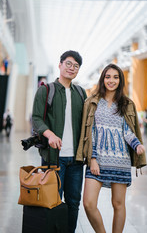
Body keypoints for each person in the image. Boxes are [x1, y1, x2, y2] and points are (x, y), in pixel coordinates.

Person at [76, 63, 147, 233]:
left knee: (118, 203)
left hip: (120, 161)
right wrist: (92, 158)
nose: (111, 80)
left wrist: (137, 145)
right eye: (108, 77)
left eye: (115, 77)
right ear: (103, 79)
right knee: (88, 203)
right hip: (97, 160)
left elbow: (127, 130)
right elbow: (90, 132)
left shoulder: (127, 103)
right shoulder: (92, 102)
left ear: (120, 80)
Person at [32, 50, 87, 233]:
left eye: (76, 66)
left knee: (73, 203)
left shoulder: (81, 93)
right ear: (60, 65)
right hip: (53, 159)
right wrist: (50, 134)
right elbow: (37, 118)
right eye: (69, 64)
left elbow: (87, 122)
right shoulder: (46, 90)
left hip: (76, 160)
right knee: (51, 202)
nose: (72, 68)